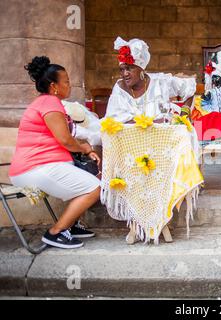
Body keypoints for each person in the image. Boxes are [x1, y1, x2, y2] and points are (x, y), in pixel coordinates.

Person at [9, 56, 101, 249]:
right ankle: (56, 232)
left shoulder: (47, 102)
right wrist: (85, 148)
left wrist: (83, 149)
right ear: (54, 86)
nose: (70, 85)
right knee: (95, 188)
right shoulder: (49, 103)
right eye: (66, 81)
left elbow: (65, 137)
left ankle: (71, 225)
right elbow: (65, 140)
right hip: (35, 168)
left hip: (41, 166)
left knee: (87, 177)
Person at [105, 37, 196, 123]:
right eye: (122, 69)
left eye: (129, 68)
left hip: (163, 137)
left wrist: (183, 117)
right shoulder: (119, 89)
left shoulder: (160, 82)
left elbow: (188, 87)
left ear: (141, 69)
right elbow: (112, 122)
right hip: (130, 138)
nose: (125, 74)